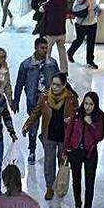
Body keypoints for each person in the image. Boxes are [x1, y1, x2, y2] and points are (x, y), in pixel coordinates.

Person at [21, 72, 78, 200]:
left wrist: (71, 121)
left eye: (58, 85)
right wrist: (27, 125)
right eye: (53, 84)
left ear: (64, 85)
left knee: (62, 162)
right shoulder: (45, 97)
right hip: (49, 135)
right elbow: (36, 113)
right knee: (49, 162)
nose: (54, 87)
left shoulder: (71, 98)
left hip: (64, 137)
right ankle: (49, 187)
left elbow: (77, 117)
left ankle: (61, 184)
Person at [14, 37, 60, 164]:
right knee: (33, 126)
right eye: (42, 48)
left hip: (49, 101)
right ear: (36, 48)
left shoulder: (52, 64)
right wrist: (15, 100)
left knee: (49, 126)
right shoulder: (26, 65)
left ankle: (48, 149)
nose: (45, 50)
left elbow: (59, 81)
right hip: (33, 100)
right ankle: (32, 150)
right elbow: (19, 84)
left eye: (46, 48)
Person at [63, 91, 104, 208]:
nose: (88, 107)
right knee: (76, 180)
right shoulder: (76, 113)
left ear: (95, 105)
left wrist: (91, 124)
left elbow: (99, 136)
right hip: (75, 152)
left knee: (89, 183)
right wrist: (65, 150)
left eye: (91, 104)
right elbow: (69, 132)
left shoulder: (99, 116)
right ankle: (77, 206)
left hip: (90, 153)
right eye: (86, 103)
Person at [67, 0, 99, 69]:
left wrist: (97, 9)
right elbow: (74, 8)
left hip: (93, 22)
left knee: (91, 42)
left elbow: (94, 5)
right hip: (82, 23)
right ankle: (70, 52)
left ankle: (90, 60)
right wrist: (85, 5)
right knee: (79, 40)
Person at [39, 0, 70, 69]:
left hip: (51, 32)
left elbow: (41, 9)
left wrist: (47, 1)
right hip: (62, 31)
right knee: (62, 51)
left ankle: (47, 69)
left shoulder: (51, 2)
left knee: (47, 52)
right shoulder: (64, 1)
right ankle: (64, 70)